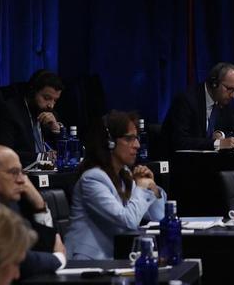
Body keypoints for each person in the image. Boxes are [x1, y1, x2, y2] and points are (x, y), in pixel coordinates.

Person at [67, 111, 167, 259]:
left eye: (137, 138)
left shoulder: (123, 174)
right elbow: (128, 222)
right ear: (110, 142)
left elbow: (158, 217)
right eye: (129, 139)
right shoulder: (93, 179)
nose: (137, 145)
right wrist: (140, 188)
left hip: (115, 259)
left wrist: (152, 188)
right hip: (88, 264)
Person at [0, 144, 67, 277]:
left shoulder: (12, 204)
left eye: (22, 172)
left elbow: (42, 248)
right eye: (14, 173)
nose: (22, 180)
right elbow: (18, 260)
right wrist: (58, 259)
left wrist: (39, 205)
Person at [0, 70, 65, 168]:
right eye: (46, 98)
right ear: (32, 92)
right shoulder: (9, 112)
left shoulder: (49, 114)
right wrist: (42, 157)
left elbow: (63, 154)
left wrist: (56, 130)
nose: (51, 105)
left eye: (55, 100)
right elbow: (4, 153)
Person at [161, 62, 234, 151]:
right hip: (182, 161)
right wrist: (216, 143)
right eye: (229, 89)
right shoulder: (186, 100)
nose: (233, 95)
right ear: (214, 83)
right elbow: (180, 141)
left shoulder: (224, 103)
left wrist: (221, 134)